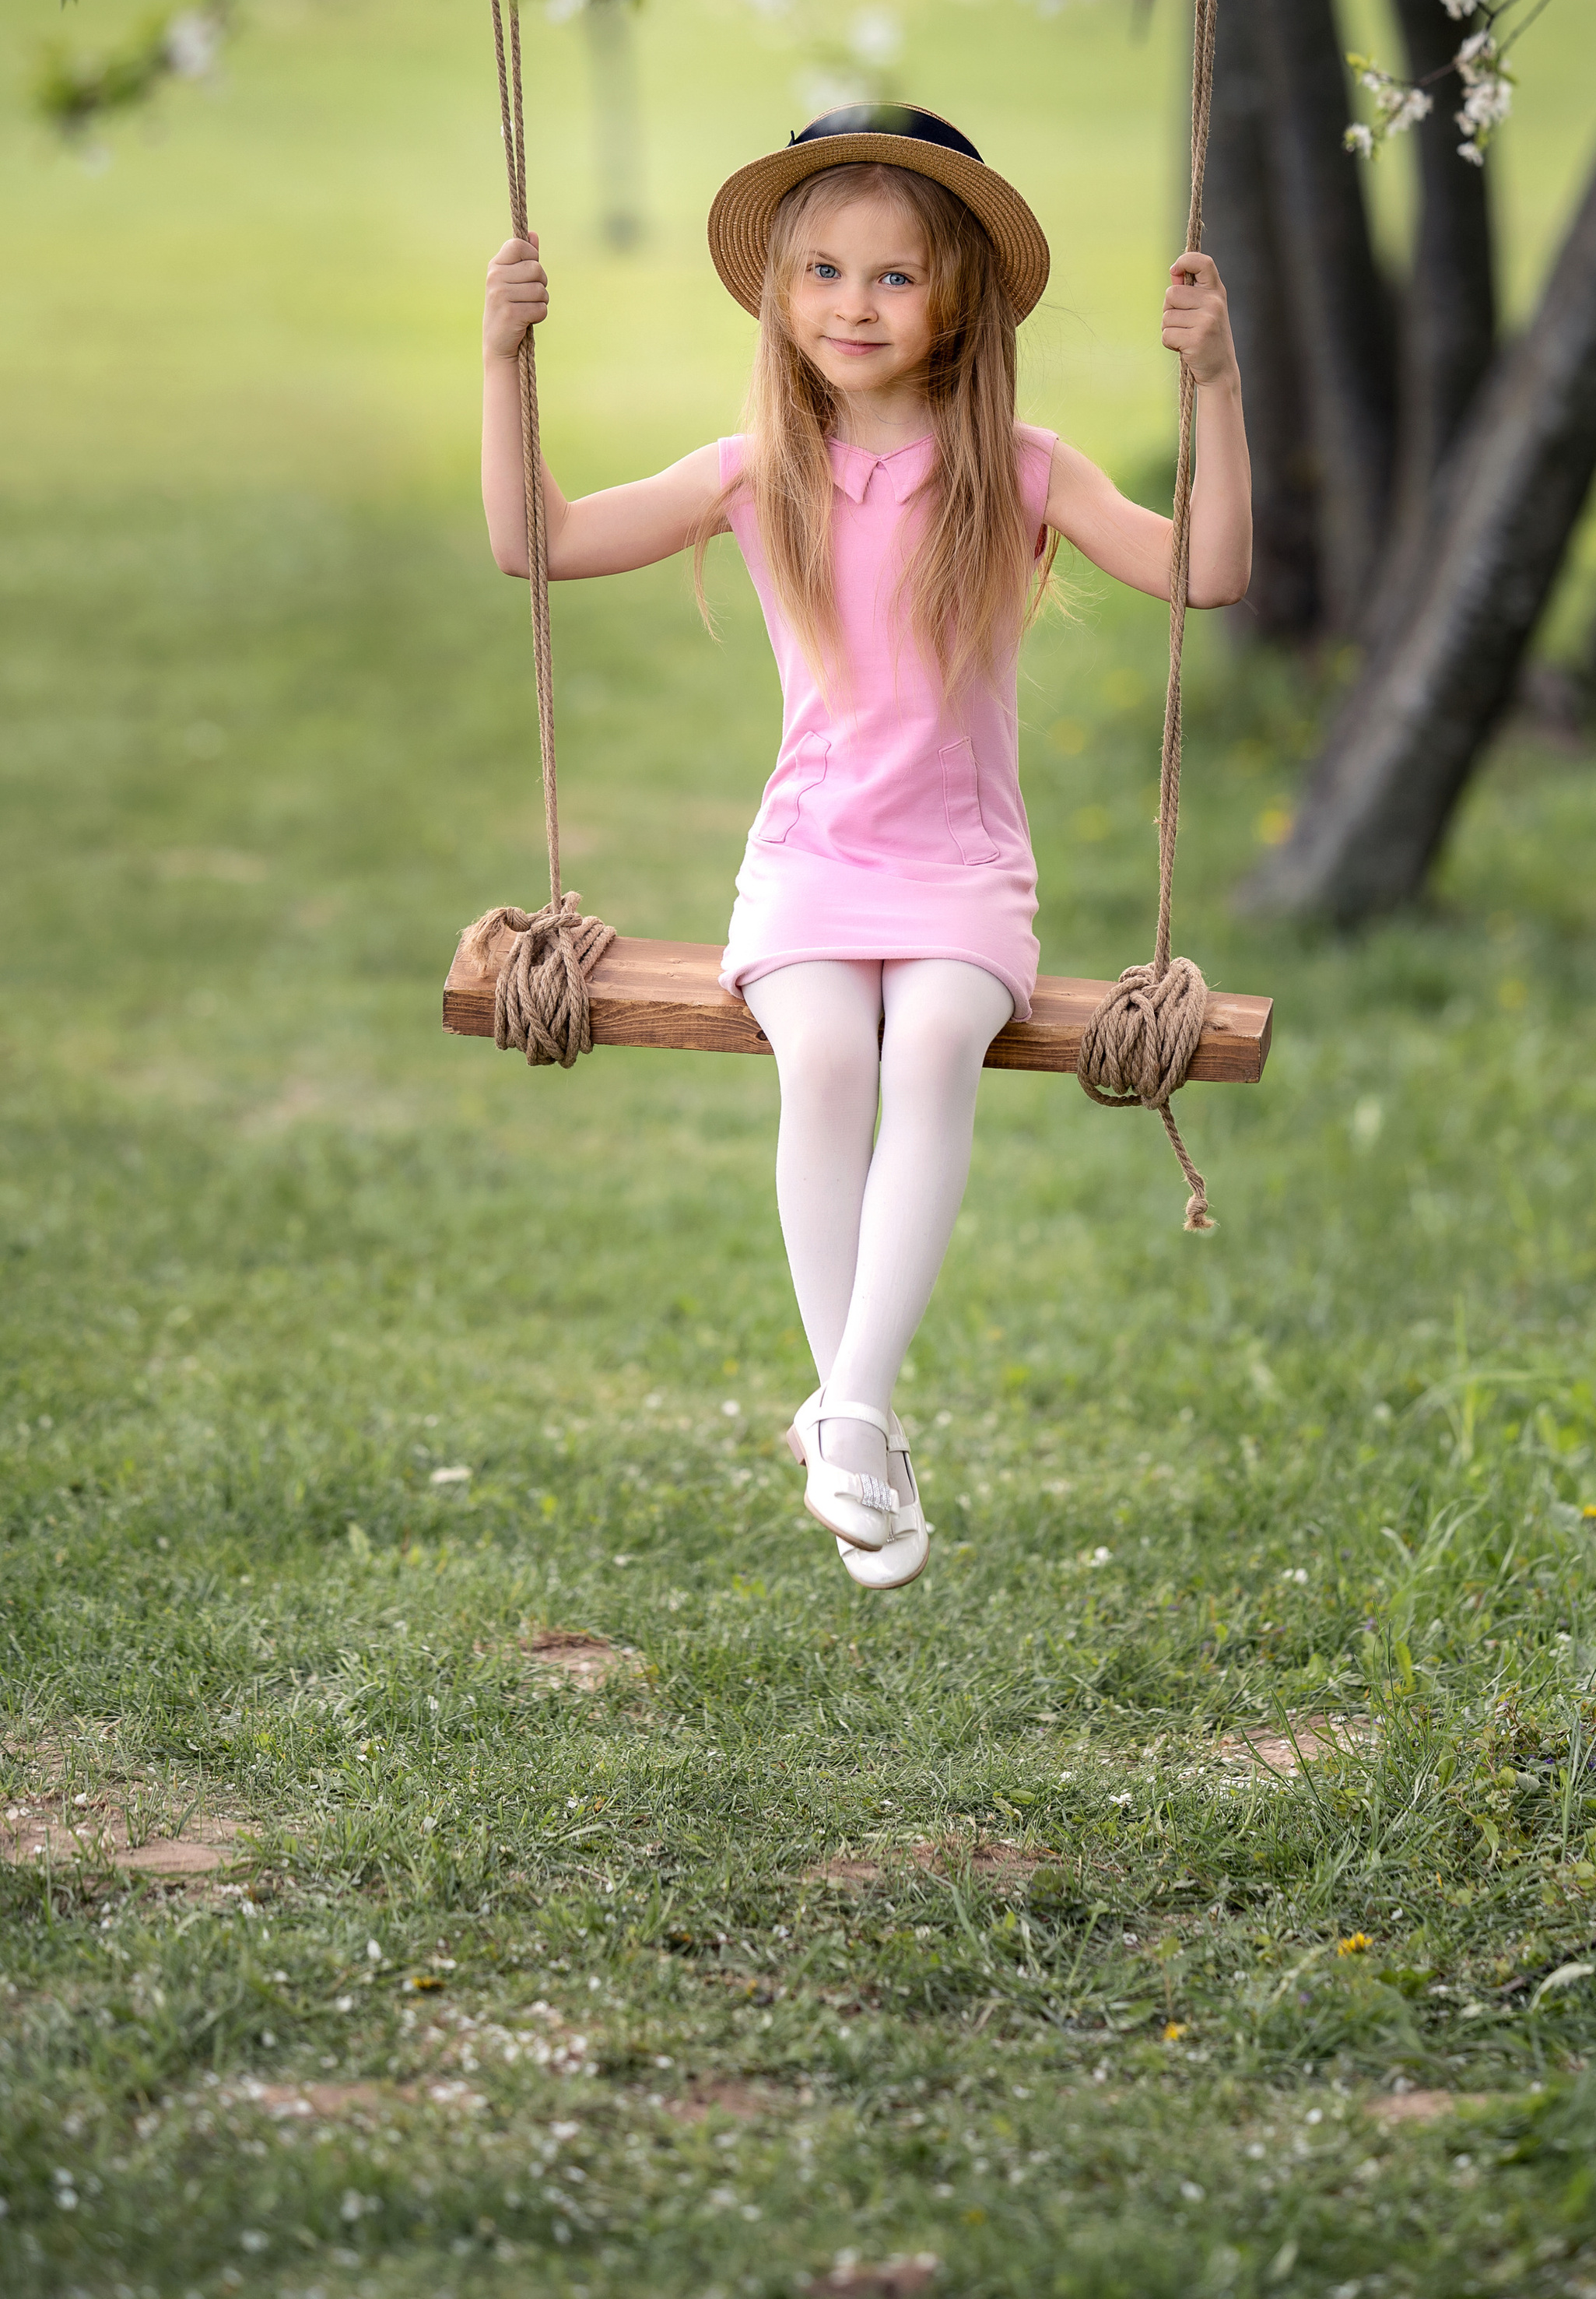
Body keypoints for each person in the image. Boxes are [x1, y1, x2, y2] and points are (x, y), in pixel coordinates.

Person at [480, 104, 1251, 1589]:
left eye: (892, 278)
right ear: (779, 292)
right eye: (822, 271)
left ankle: (850, 1408)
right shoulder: (754, 467)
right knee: (826, 1057)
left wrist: (1216, 382)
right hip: (810, 861)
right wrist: (504, 360)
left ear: (958, 292)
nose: (851, 304)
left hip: (964, 872)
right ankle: (859, 1423)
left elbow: (1208, 572)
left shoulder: (1024, 473)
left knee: (934, 1042)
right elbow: (540, 542)